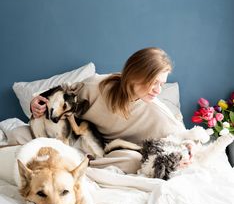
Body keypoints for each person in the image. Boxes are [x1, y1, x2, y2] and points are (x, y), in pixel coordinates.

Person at [8, 47, 187, 173]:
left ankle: (77, 167)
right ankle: (69, 161)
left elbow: (184, 136)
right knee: (16, 135)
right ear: (135, 75)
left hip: (107, 154)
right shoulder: (98, 85)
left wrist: (189, 147)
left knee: (133, 161)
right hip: (73, 139)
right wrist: (36, 101)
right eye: (154, 82)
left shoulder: (157, 112)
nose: (158, 90)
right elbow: (64, 91)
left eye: (162, 84)